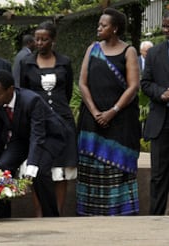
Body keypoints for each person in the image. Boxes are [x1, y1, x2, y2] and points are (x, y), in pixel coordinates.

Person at [77, 8, 140, 216]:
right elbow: (82, 83)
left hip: (121, 122)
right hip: (92, 121)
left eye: (103, 25)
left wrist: (112, 111)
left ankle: (120, 213)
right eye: (99, 24)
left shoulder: (129, 51)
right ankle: (90, 213)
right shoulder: (92, 49)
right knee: (91, 170)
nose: (99, 28)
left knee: (117, 170)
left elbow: (133, 86)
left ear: (114, 29)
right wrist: (96, 112)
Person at [0, 70, 68, 218]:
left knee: (40, 171)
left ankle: (51, 217)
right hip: (22, 138)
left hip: (49, 137)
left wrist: (31, 166)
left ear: (10, 90)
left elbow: (38, 135)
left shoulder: (32, 101)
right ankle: (2, 217)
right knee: (2, 168)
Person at [20, 21, 77, 217]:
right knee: (37, 168)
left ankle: (57, 214)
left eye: (44, 39)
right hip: (37, 124)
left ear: (53, 40)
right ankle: (39, 213)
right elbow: (23, 92)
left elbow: (67, 90)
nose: (40, 43)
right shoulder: (26, 63)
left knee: (60, 172)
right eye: (37, 39)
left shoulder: (65, 62)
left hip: (62, 122)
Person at [141, 11, 169, 215]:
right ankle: (155, 220)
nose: (166, 30)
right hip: (162, 123)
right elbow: (145, 83)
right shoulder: (154, 53)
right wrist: (162, 94)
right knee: (158, 176)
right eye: (165, 27)